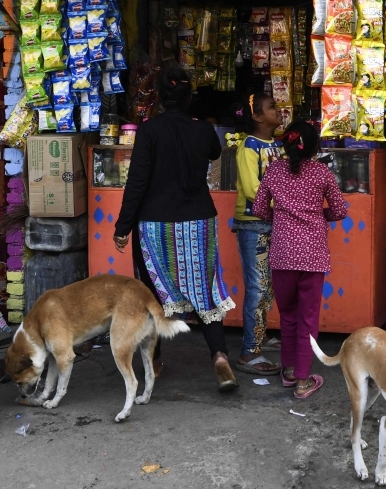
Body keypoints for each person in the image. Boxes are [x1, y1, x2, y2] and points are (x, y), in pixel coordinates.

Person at [114, 64, 239, 392]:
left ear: (160, 96)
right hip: (198, 222)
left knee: (154, 297)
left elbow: (137, 183)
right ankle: (220, 356)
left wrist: (122, 226)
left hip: (155, 226)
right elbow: (215, 152)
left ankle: (154, 362)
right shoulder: (202, 130)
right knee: (206, 291)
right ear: (189, 97)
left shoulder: (149, 130)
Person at [253, 120, 348, 399]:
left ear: (286, 143)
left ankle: (290, 369)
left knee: (288, 317)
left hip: (282, 254)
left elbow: (259, 208)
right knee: (308, 318)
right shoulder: (322, 173)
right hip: (313, 256)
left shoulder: (273, 171)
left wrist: (280, 220)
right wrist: (320, 217)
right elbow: (340, 210)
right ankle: (303, 381)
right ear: (315, 147)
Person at [232, 93, 283, 376]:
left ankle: (260, 337)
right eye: (272, 107)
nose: (279, 110)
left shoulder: (277, 145)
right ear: (257, 117)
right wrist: (285, 202)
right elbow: (253, 191)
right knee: (258, 287)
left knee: (268, 286)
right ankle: (249, 352)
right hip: (253, 223)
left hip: (273, 222)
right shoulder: (248, 147)